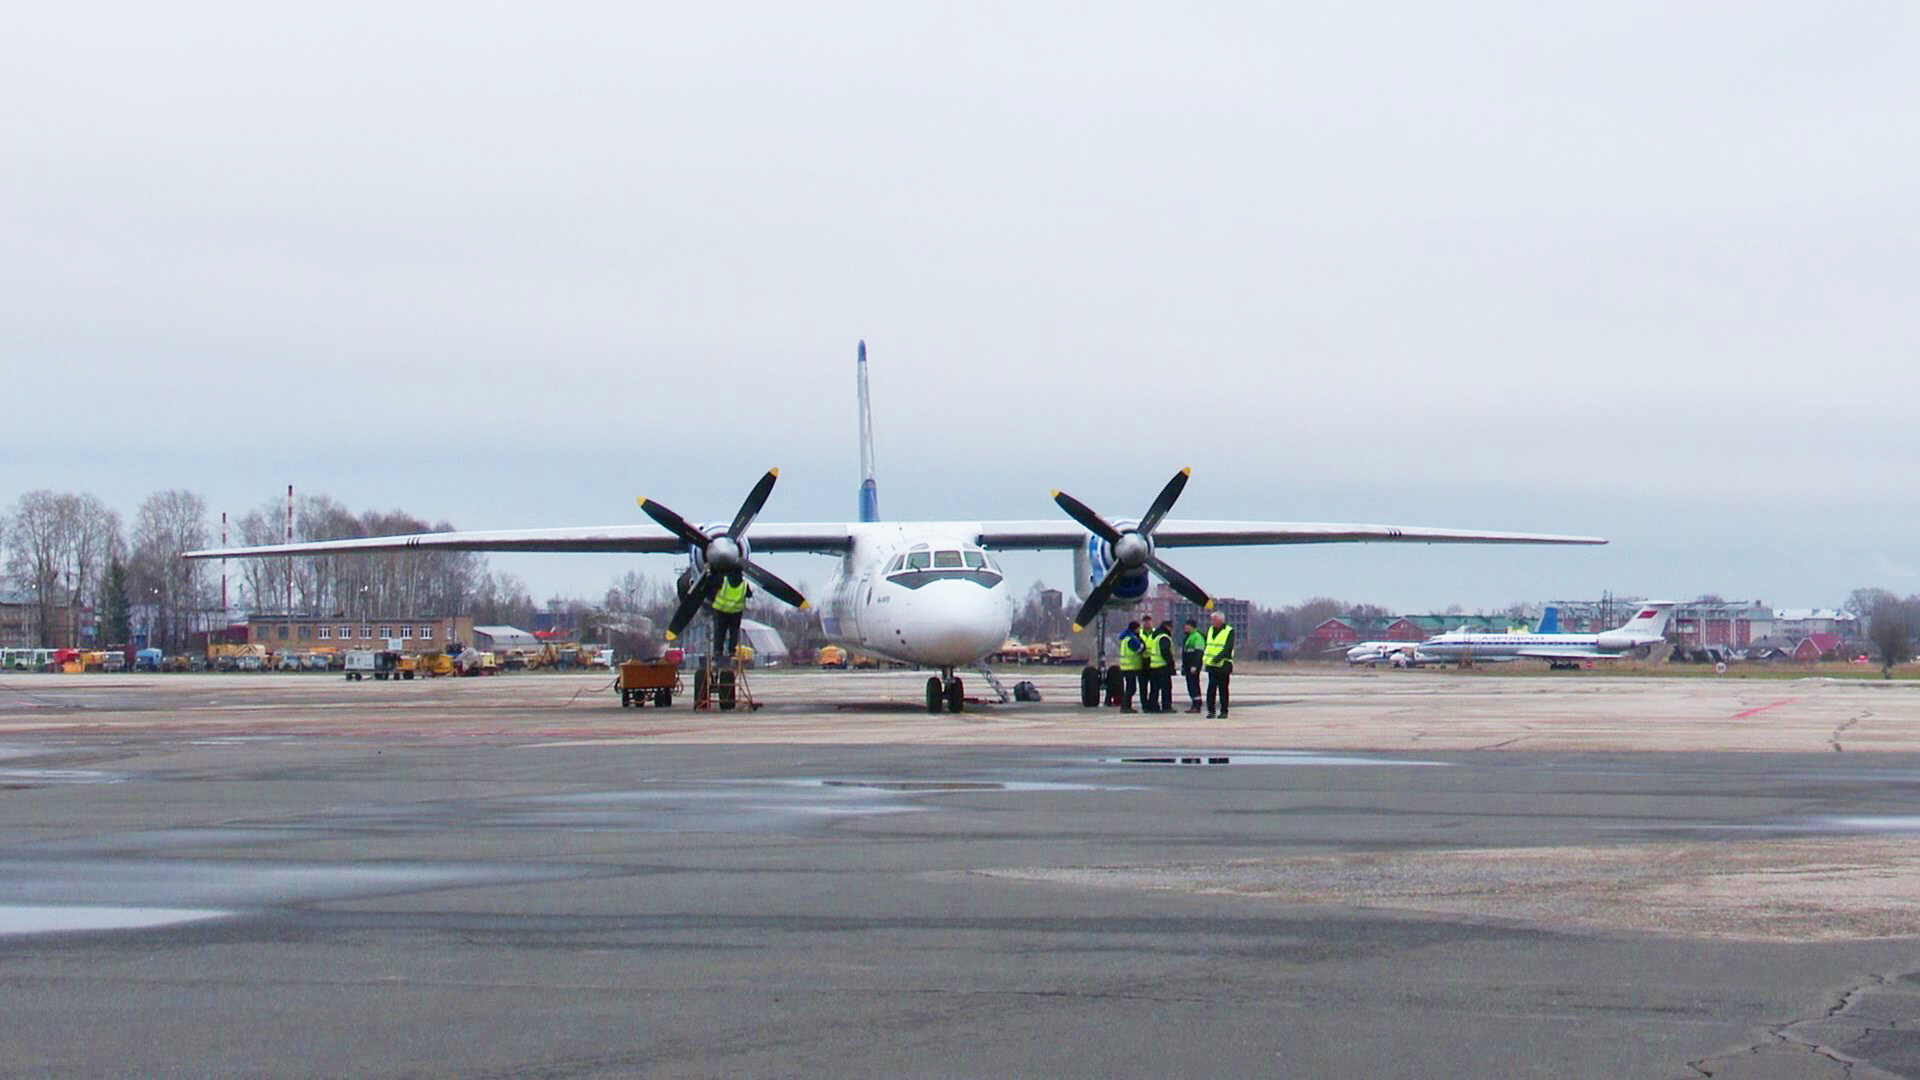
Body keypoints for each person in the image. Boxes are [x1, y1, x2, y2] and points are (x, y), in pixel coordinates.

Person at [710, 571, 751, 666]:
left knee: (719, 633)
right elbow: (749, 594)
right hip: (736, 612)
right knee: (734, 633)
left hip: (721, 611)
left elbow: (712, 587)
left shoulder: (723, 580)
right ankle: (731, 651)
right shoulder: (744, 584)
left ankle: (718, 652)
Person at [1203, 610, 1235, 718]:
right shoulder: (1210, 630)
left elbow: (1228, 648)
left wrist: (1217, 658)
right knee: (1211, 689)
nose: (1212, 622)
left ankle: (1224, 711)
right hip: (1211, 665)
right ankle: (1211, 711)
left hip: (1223, 665)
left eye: (1214, 620)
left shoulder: (1229, 631)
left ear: (1221, 620)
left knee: (1223, 689)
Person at [1116, 619, 1145, 713]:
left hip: (1125, 667)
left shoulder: (1125, 638)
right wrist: (1142, 643)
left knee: (1129, 687)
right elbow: (1140, 649)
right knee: (1131, 688)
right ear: (1135, 628)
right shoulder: (1132, 639)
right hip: (1131, 667)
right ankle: (1125, 706)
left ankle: (1126, 706)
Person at [1148, 618, 1176, 713]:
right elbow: (1165, 652)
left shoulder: (1156, 637)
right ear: (1167, 627)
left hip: (1154, 666)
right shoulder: (1164, 637)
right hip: (1163, 667)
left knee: (1154, 688)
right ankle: (1166, 706)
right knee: (1166, 688)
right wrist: (1171, 664)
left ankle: (1153, 706)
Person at [1182, 619, 1205, 713]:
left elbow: (1199, 653)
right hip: (1188, 665)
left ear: (1192, 627)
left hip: (1193, 666)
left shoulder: (1197, 637)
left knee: (1193, 685)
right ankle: (1194, 704)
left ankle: (1197, 705)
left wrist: (1195, 665)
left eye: (1187, 626)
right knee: (1190, 685)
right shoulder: (1189, 637)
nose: (1185, 628)